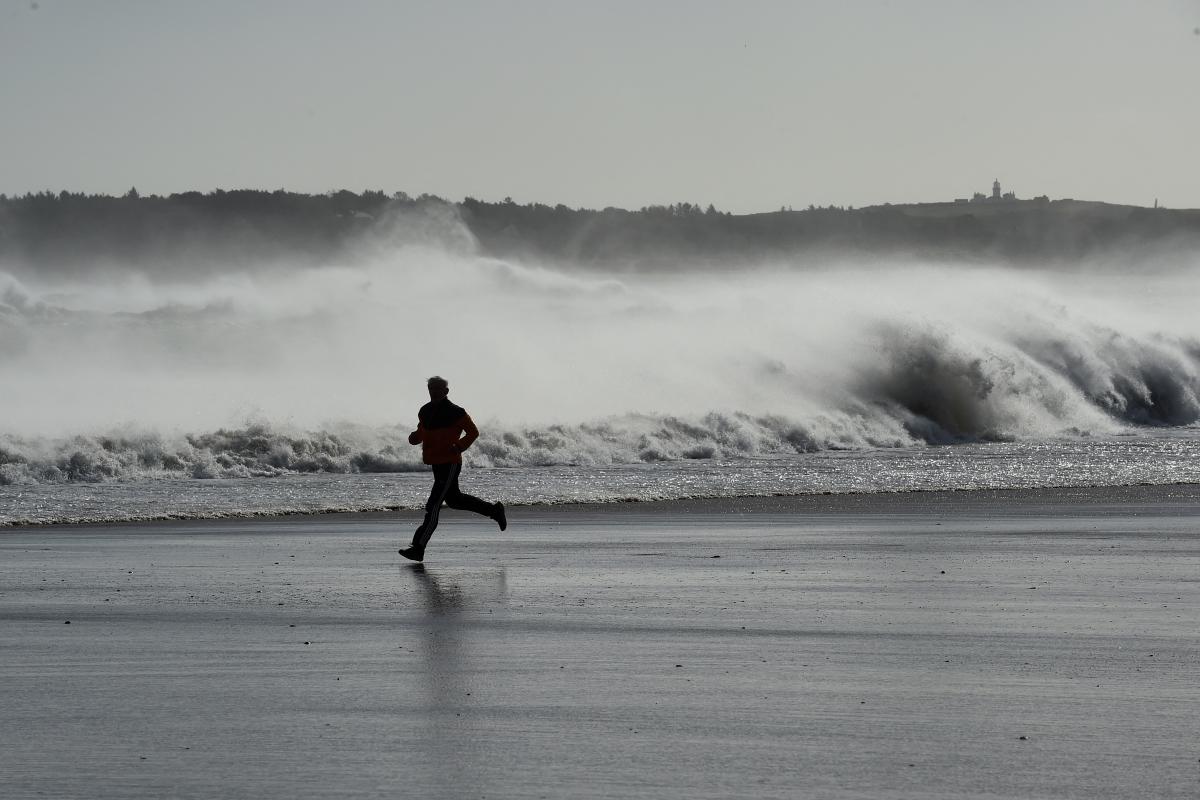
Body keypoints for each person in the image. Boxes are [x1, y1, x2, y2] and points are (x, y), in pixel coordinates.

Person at [399, 376, 506, 561]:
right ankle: (494, 511)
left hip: (450, 463)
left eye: (438, 388)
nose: (434, 391)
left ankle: (418, 547)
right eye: (431, 388)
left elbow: (473, 432)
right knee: (455, 500)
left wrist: (458, 446)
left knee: (433, 505)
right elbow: (422, 432)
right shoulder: (424, 411)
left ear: (446, 391)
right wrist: (415, 437)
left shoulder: (456, 411)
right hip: (436, 463)